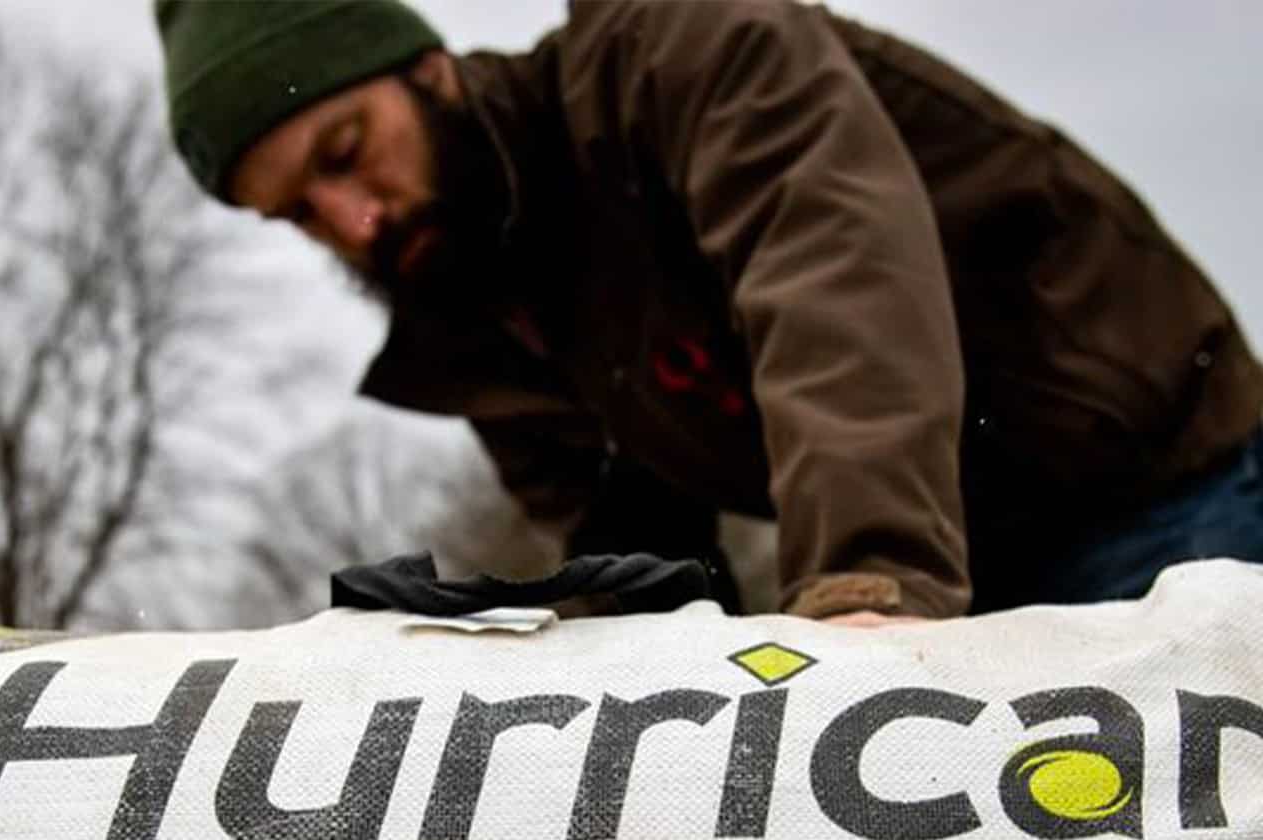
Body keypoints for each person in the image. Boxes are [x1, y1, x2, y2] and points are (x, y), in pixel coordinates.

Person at [155, 0, 1263, 625]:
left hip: (1157, 481)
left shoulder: (678, 49)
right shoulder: (479, 319)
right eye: (298, 214)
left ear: (429, 72)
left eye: (345, 154)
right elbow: (628, 551)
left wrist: (863, 584)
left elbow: (831, 273)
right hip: (981, 560)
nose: (352, 219)